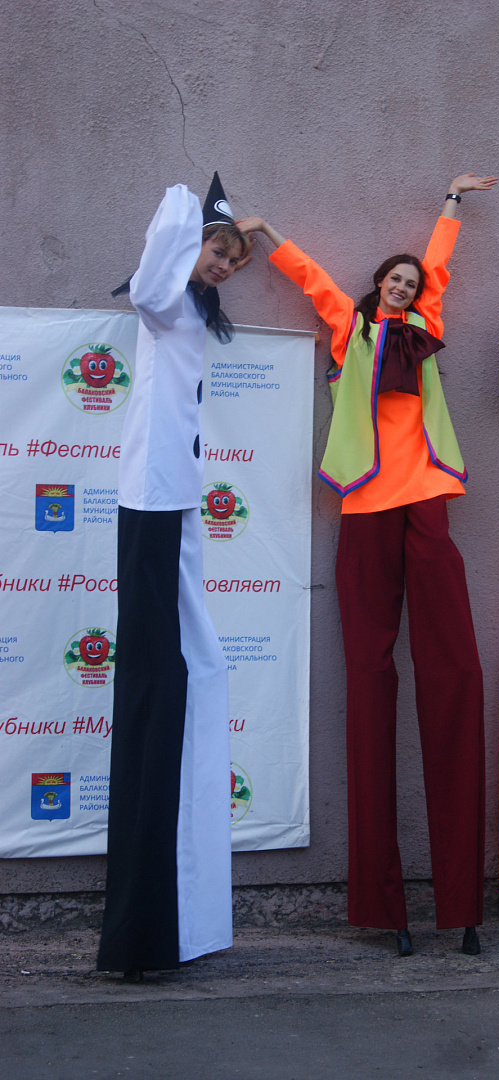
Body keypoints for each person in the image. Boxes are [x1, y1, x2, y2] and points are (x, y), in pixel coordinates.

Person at [237, 173, 497, 956]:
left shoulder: (425, 327)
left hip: (426, 502)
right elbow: (313, 278)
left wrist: (451, 203)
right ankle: (384, 909)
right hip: (362, 506)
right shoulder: (349, 330)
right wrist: (266, 231)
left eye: (411, 283)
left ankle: (462, 904)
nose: (405, 286)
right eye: (395, 279)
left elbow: (439, 266)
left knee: (452, 673)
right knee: (369, 683)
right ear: (377, 286)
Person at [97, 174, 252, 980]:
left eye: (233, 260)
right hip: (151, 499)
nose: (224, 265)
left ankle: (183, 918)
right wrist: (192, 206)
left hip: (179, 500)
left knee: (195, 672)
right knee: (159, 682)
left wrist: (224, 229)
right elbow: (159, 255)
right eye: (217, 251)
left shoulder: (192, 308)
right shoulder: (161, 301)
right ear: (190, 245)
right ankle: (146, 927)